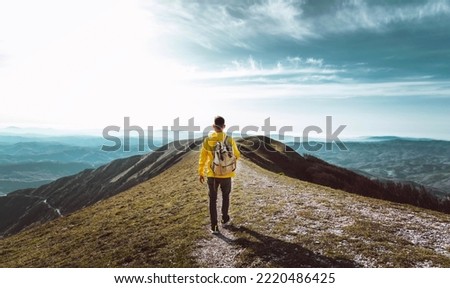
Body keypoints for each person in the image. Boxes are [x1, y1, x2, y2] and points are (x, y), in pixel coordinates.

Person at [198, 116, 240, 234]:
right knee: (226, 196)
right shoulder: (229, 139)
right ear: (224, 126)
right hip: (227, 174)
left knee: (213, 199)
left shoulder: (208, 140)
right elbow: (237, 154)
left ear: (213, 126)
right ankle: (225, 218)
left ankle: (214, 226)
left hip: (212, 175)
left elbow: (202, 158)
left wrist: (201, 172)